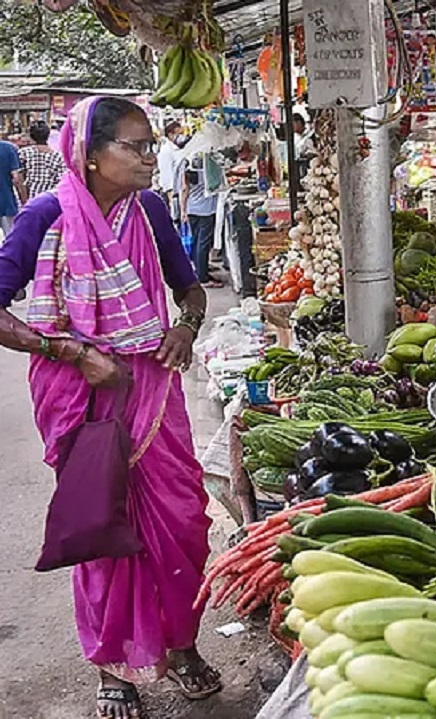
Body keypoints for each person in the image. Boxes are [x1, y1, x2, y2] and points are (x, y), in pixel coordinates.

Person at [0, 97, 220, 718]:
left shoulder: (150, 211)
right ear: (91, 155)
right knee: (102, 522)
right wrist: (70, 351)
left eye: (151, 145)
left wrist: (187, 327)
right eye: (136, 146)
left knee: (182, 521)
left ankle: (181, 644)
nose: (151, 157)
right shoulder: (45, 216)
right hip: (80, 395)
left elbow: (190, 287)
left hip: (151, 388)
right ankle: (113, 665)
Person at [180, 150, 223, 288]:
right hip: (206, 210)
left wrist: (183, 210)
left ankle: (200, 272)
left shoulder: (187, 164)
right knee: (203, 244)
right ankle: (203, 278)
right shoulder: (208, 165)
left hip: (192, 208)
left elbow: (184, 189)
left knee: (196, 241)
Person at [18, 121, 67, 200]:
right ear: (48, 135)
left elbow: (19, 178)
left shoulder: (23, 153)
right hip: (49, 200)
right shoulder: (58, 157)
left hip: (29, 199)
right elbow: (61, 182)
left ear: (31, 136)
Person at [155, 120, 183, 214]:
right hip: (173, 193)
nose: (182, 136)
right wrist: (172, 198)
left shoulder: (177, 147)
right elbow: (166, 175)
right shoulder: (166, 151)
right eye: (179, 134)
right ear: (170, 134)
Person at [0, 137, 24, 235]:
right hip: (6, 202)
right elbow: (17, 178)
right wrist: (23, 199)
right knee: (10, 237)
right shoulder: (9, 148)